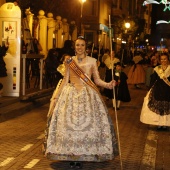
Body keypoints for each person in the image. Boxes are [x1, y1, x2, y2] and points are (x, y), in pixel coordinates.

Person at [43, 36, 119, 168]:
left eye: (82, 45)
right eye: (77, 45)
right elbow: (66, 80)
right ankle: (71, 155)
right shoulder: (69, 61)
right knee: (68, 127)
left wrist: (108, 85)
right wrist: (56, 97)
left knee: (87, 127)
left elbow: (97, 80)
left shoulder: (92, 61)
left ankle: (82, 155)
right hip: (70, 94)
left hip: (87, 95)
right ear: (74, 47)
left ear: (86, 47)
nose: (79, 48)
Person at [140, 53, 170, 130]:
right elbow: (153, 80)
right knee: (159, 107)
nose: (163, 60)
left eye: (165, 59)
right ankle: (159, 124)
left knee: (167, 107)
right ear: (160, 60)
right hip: (158, 90)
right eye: (162, 59)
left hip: (168, 90)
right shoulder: (157, 69)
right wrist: (149, 89)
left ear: (168, 59)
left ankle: (166, 124)